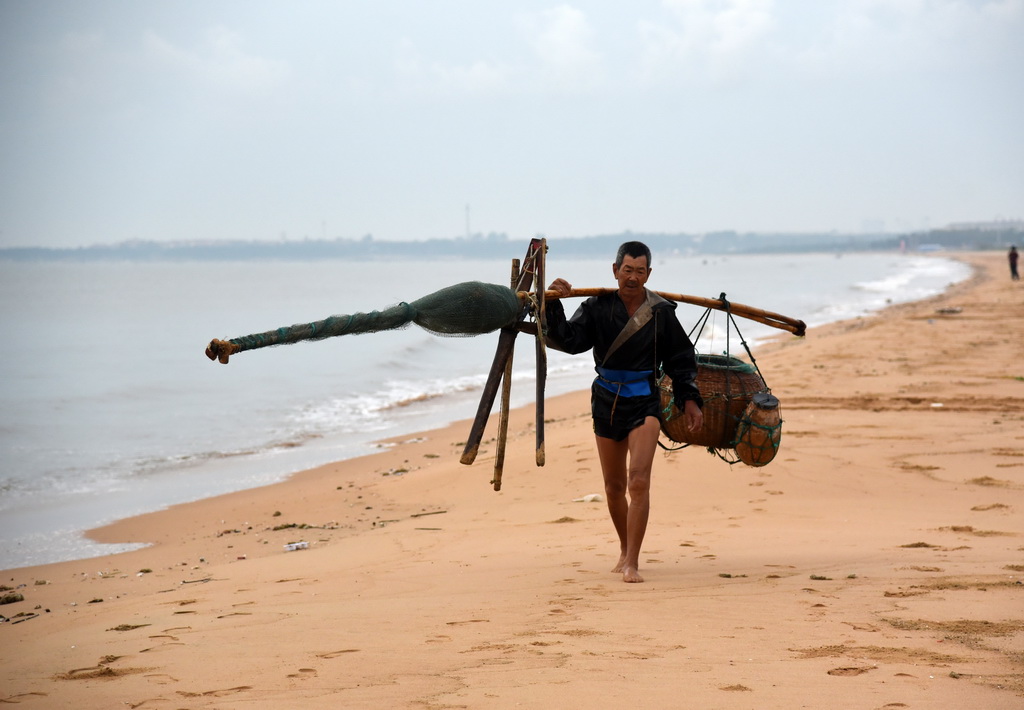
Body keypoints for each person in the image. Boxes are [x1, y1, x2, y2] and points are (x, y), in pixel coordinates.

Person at [545, 241, 704, 583]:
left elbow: (680, 359)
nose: (633, 277)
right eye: (627, 270)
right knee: (614, 486)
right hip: (605, 399)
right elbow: (569, 341)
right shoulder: (597, 307)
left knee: (639, 481)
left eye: (640, 271)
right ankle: (624, 547)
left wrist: (689, 399)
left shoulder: (661, 312)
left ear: (649, 274)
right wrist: (553, 304)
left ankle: (632, 560)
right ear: (614, 270)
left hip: (644, 399)